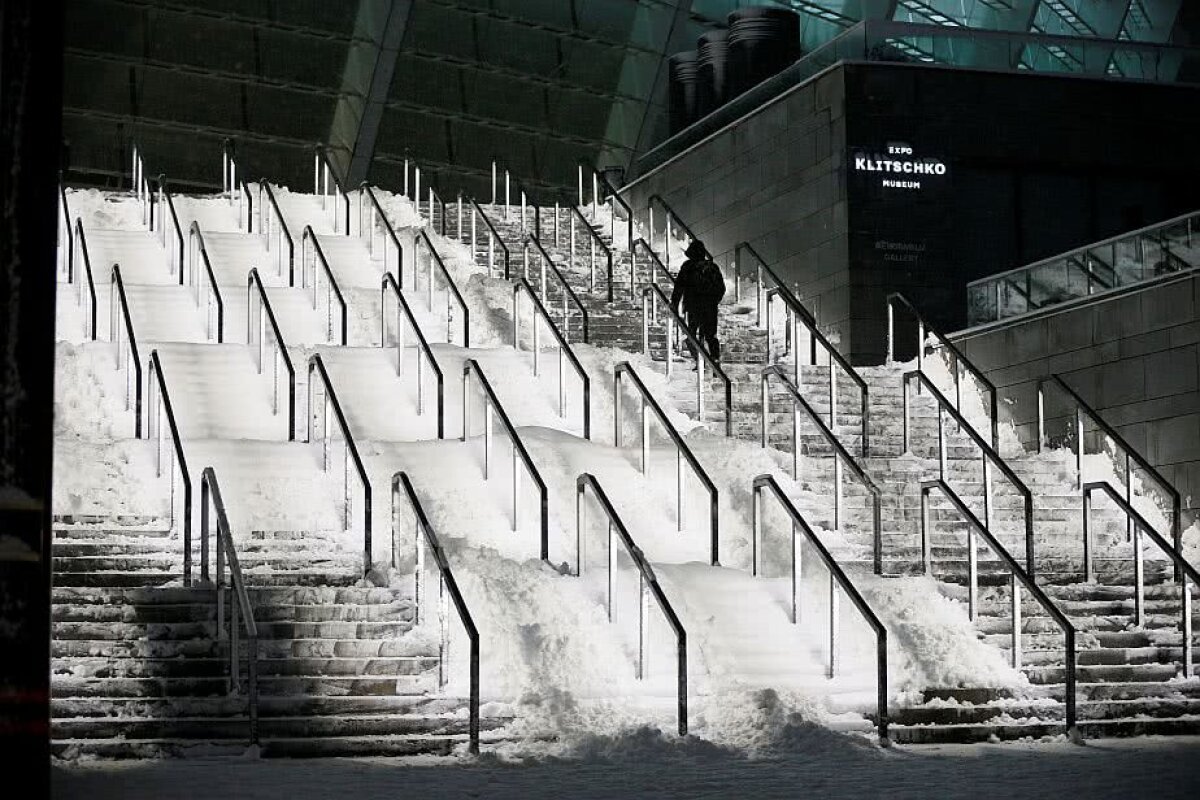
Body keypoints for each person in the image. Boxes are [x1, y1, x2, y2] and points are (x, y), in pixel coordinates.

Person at [670, 239, 725, 364]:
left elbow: (679, 287)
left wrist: (674, 303)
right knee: (711, 336)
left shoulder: (687, 267)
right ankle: (715, 359)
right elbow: (721, 288)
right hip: (710, 307)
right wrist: (713, 301)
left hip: (693, 306)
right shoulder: (712, 266)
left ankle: (700, 362)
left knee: (691, 337)